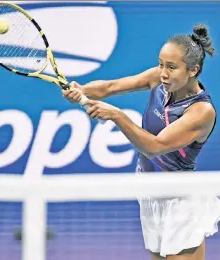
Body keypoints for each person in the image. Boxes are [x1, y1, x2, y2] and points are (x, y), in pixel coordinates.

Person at [62, 24, 220, 260]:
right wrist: (81, 89)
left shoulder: (201, 111)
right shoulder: (161, 79)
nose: (163, 72)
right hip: (150, 191)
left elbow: (155, 147)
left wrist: (117, 115)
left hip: (181, 201)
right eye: (161, 64)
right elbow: (110, 87)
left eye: (172, 67)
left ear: (193, 70)